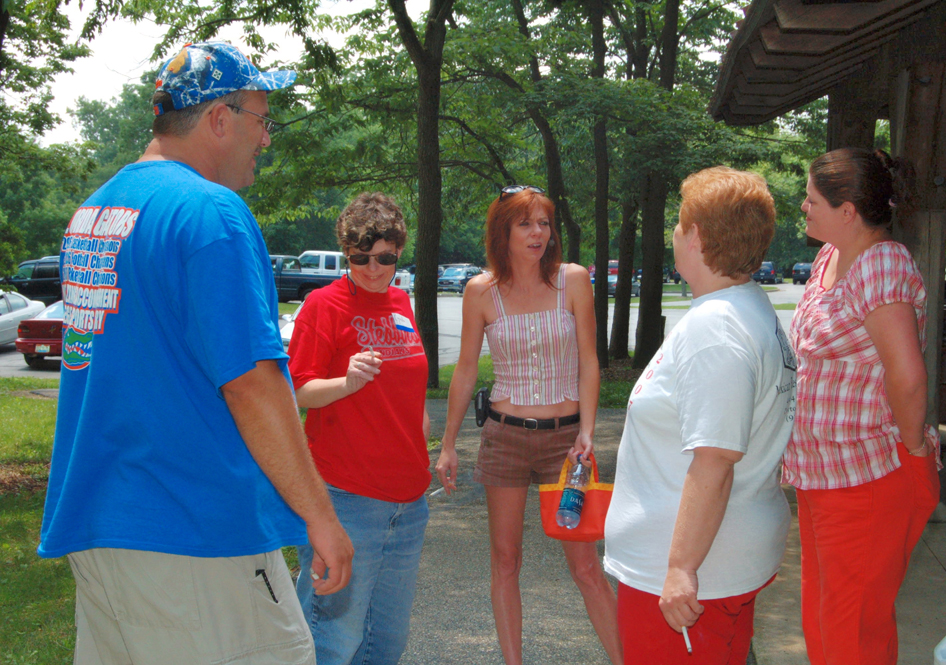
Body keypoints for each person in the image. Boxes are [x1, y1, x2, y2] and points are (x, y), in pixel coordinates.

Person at [37, 41, 353, 664]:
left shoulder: (95, 213)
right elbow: (252, 382)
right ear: (218, 119)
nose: (266, 139)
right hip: (195, 533)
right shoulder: (211, 213)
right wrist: (320, 516)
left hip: (101, 527)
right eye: (262, 120)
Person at [603, 166, 796, 665]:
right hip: (721, 561)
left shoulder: (718, 329)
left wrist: (681, 568)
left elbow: (715, 459)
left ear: (698, 237)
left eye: (678, 223)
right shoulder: (746, 309)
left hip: (693, 579)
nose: (673, 233)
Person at [435, 185, 623, 665]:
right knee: (505, 560)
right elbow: (465, 371)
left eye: (544, 222)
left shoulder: (574, 281)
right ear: (504, 230)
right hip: (505, 437)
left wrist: (586, 428)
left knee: (585, 566)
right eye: (525, 223)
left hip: (565, 444)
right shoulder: (481, 291)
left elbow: (588, 359)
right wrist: (449, 443)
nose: (538, 232)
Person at [785, 147, 941, 664]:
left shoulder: (881, 265)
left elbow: (908, 378)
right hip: (822, 477)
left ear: (847, 210)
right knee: (825, 621)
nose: (803, 208)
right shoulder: (830, 257)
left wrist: (915, 450)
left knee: (854, 633)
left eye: (811, 200)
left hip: (867, 479)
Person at [288, 192, 431, 665]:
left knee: (384, 644)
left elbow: (408, 385)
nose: (373, 268)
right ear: (346, 253)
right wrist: (346, 382)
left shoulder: (400, 302)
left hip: (408, 503)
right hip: (346, 499)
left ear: (398, 253)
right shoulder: (323, 306)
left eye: (385, 258)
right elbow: (299, 391)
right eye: (360, 258)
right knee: (331, 641)